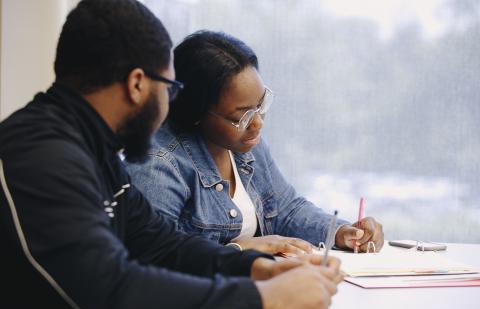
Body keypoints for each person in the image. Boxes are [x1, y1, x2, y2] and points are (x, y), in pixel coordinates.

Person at [0, 1, 342, 309]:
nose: (171, 103)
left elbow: (160, 244)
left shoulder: (91, 148)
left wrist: (256, 268)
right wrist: (264, 297)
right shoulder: (43, 156)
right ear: (137, 84)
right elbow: (109, 290)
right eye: (169, 88)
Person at [126, 30, 385, 256]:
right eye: (242, 115)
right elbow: (153, 258)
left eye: (260, 105)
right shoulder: (157, 164)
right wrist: (239, 250)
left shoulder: (244, 143)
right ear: (195, 112)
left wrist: (340, 232)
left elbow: (287, 209)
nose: (258, 123)